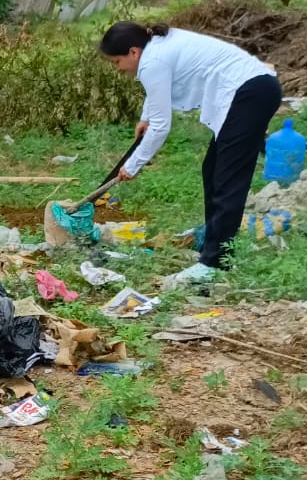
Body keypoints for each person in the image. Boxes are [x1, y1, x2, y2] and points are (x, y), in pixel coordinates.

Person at [98, 21, 283, 284]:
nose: (118, 68)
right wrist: (146, 117)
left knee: (228, 180)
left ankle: (214, 263)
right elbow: (158, 93)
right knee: (213, 170)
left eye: (117, 62)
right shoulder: (156, 49)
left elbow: (161, 127)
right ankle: (214, 242)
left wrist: (133, 165)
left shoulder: (153, 61)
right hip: (252, 90)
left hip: (250, 93)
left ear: (133, 52)